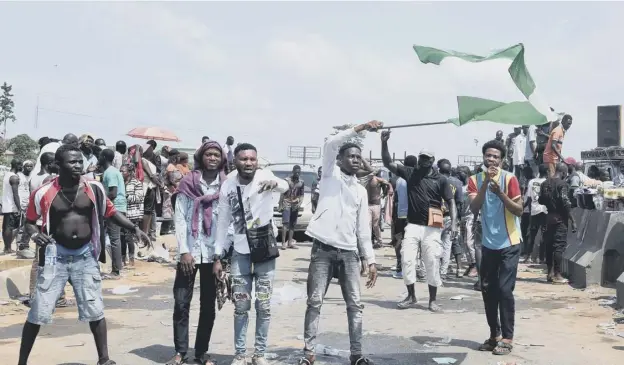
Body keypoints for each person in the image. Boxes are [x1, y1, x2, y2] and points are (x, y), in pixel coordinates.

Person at [18, 144, 150, 365]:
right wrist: (34, 236)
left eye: (80, 161)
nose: (78, 165)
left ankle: (104, 359)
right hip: (55, 257)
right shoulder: (43, 192)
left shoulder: (94, 188)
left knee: (95, 309)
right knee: (38, 311)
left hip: (85, 256)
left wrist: (134, 228)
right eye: (72, 161)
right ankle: (22, 362)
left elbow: (112, 213)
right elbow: (30, 223)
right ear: (58, 166)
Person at [300, 120, 380, 365]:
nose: (356, 160)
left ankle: (357, 355)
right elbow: (331, 144)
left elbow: (362, 230)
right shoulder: (329, 175)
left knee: (355, 306)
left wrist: (371, 260)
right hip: (322, 250)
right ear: (339, 159)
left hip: (349, 254)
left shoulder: (360, 191)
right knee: (314, 303)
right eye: (351, 156)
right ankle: (308, 355)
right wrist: (361, 128)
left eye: (359, 157)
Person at [213, 143, 288, 365]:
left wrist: (274, 183)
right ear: (235, 161)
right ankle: (240, 355)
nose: (248, 163)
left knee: (263, 306)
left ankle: (260, 354)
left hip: (264, 252)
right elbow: (223, 221)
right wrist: (218, 255)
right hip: (240, 254)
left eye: (252, 159)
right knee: (241, 307)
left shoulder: (265, 176)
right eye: (244, 159)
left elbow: (284, 186)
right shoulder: (228, 185)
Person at [166, 141, 228, 365]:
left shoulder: (226, 185)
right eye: (208, 154)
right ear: (201, 157)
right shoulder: (188, 183)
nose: (212, 158)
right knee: (181, 302)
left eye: (216, 155)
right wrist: (184, 251)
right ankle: (180, 351)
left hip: (213, 254)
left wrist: (220, 256)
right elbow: (180, 218)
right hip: (189, 252)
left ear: (221, 159)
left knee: (208, 305)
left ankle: (201, 352)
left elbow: (227, 223)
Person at [382, 131, 457, 312]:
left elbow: (451, 201)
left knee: (431, 261)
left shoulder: (441, 180)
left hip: (432, 228)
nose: (424, 161)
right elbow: (387, 163)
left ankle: (432, 300)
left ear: (432, 160)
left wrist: (454, 223)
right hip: (413, 226)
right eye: (422, 157)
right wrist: (384, 143)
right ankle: (411, 296)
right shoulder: (410, 173)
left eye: (427, 158)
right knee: (407, 260)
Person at [468, 139, 523, 356]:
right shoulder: (474, 180)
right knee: (488, 290)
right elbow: (474, 207)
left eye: (496, 157)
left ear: (502, 160)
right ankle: (494, 335)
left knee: (504, 290)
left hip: (510, 242)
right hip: (489, 244)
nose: (491, 159)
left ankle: (507, 338)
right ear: (484, 157)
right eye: (488, 156)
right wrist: (485, 185)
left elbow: (518, 210)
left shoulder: (510, 179)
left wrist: (500, 192)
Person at [539, 163, 577, 284]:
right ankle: (557, 274)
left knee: (549, 246)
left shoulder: (544, 183)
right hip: (560, 219)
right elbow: (565, 202)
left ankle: (549, 273)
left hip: (548, 218)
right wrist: (573, 220)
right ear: (564, 173)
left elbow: (540, 200)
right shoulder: (563, 184)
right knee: (559, 246)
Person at [100, 149, 127, 279]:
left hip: (114, 207)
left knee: (114, 238)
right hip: (120, 206)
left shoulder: (109, 172)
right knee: (117, 238)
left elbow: (113, 193)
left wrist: (100, 202)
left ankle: (116, 271)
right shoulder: (114, 171)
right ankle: (119, 266)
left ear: (104, 157)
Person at [437, 159, 463, 279]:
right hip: (450, 217)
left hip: (435, 216)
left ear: (438, 168)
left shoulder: (435, 179)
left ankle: (433, 270)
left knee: (434, 244)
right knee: (447, 246)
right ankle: (443, 272)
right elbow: (459, 203)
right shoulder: (457, 183)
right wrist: (456, 220)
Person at [392, 155, 417, 280]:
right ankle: (410, 268)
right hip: (413, 216)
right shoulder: (416, 178)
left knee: (399, 241)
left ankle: (399, 267)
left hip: (400, 215)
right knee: (412, 243)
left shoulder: (399, 180)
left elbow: (396, 199)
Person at [523, 164, 548, 263]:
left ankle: (528, 256)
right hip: (545, 210)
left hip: (534, 210)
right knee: (544, 234)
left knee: (531, 235)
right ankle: (541, 258)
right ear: (547, 172)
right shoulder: (547, 182)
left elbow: (529, 198)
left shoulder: (532, 182)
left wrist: (529, 211)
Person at [121, 163, 144, 267]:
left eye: (123, 171)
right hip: (121, 213)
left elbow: (139, 198)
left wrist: (124, 197)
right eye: (120, 171)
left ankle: (131, 259)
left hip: (132, 214)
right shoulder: (120, 182)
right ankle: (122, 258)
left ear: (129, 172)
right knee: (121, 237)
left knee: (128, 237)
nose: (121, 173)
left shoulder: (137, 183)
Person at [456, 166, 478, 277]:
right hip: (463, 216)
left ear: (466, 173)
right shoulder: (461, 186)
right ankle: (470, 263)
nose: (458, 174)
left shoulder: (472, 185)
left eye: (461, 173)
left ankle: (475, 264)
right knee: (464, 243)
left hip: (471, 216)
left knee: (470, 242)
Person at [280, 165, 305, 250]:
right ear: (293, 171)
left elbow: (302, 195)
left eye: (299, 172)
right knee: (285, 223)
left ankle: (290, 242)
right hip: (286, 203)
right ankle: (283, 243)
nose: (297, 173)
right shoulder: (287, 180)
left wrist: (299, 202)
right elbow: (282, 193)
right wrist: (280, 204)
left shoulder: (301, 182)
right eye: (296, 172)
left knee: (292, 224)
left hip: (295, 205)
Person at [366, 170, 392, 249]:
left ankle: (379, 241)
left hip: (376, 204)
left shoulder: (376, 179)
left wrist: (388, 190)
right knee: (368, 224)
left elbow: (388, 183)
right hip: (367, 205)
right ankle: (368, 242)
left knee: (375, 225)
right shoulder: (365, 179)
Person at [2, 158, 22, 254]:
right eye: (20, 165)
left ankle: (7, 247)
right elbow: (15, 194)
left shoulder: (7, 175)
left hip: (6, 205)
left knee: (6, 227)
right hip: (12, 206)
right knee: (10, 228)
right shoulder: (14, 177)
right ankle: (7, 248)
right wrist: (19, 208)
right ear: (17, 166)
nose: (21, 167)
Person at [15, 160, 35, 258]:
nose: (29, 168)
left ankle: (25, 245)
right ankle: (20, 247)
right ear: (23, 167)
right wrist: (18, 206)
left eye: (31, 166)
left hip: (29, 203)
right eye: (27, 166)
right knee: (21, 226)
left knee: (28, 225)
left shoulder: (32, 176)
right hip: (21, 203)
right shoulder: (19, 176)